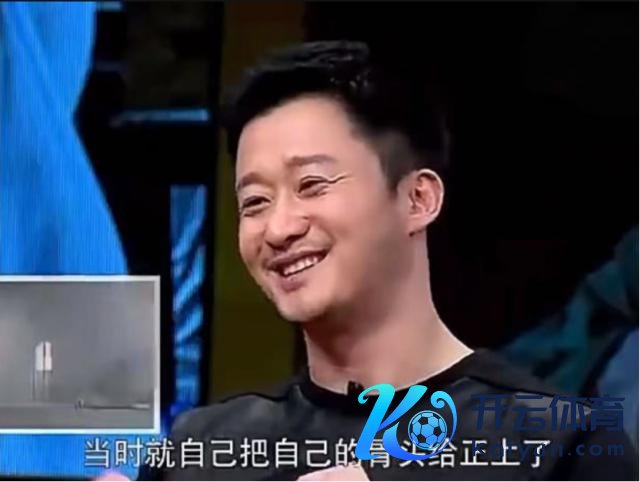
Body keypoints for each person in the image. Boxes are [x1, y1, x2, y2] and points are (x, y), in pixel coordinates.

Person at [138, 41, 637, 480]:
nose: (278, 228)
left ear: (417, 199)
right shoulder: (200, 449)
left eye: (311, 185)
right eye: (255, 203)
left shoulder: (559, 444)